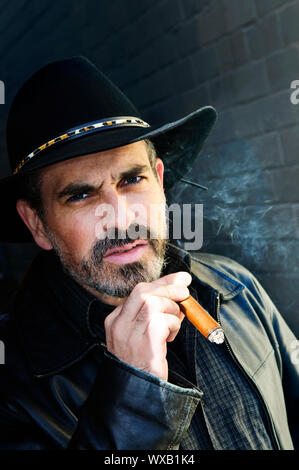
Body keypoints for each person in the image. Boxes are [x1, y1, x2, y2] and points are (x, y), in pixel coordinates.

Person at [0, 57, 297, 451]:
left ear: (159, 180)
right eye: (81, 194)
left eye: (132, 179)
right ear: (37, 222)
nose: (120, 219)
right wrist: (130, 396)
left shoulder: (236, 287)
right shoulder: (12, 388)